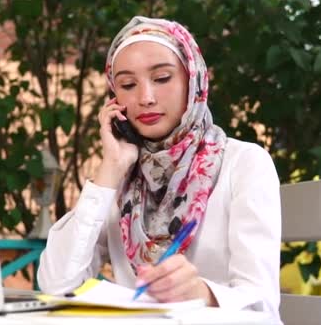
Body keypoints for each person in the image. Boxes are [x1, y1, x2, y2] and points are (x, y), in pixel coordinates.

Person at [37, 16, 282, 322]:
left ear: (193, 81)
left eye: (163, 78)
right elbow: (56, 283)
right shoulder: (124, 173)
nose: (146, 98)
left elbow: (264, 310)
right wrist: (110, 169)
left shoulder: (243, 163)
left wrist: (201, 293)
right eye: (128, 85)